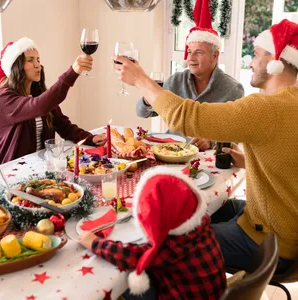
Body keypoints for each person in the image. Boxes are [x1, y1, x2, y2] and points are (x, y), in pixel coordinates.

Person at [113, 18, 298, 273]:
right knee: (203, 209)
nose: (251, 62)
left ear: (276, 60)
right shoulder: (291, 102)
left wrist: (141, 81)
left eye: (256, 55)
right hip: (281, 227)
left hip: (269, 242)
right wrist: (245, 162)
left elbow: (188, 117)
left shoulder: (267, 108)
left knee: (164, 246)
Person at [79, 166, 226, 299]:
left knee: (119, 283)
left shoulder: (173, 247)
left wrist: (94, 242)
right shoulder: (200, 222)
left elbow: (132, 256)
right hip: (216, 294)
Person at [136, 0, 244, 150]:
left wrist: (211, 141)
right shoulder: (176, 81)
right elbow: (142, 113)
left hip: (207, 159)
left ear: (215, 55)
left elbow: (237, 135)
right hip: (171, 152)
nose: (191, 58)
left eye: (198, 52)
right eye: (189, 52)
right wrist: (148, 97)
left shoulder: (233, 89)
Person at [0, 37, 106, 164]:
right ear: (16, 67)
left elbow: (64, 126)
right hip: (12, 171)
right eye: (30, 60)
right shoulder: (4, 99)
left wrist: (90, 139)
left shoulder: (39, 95)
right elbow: (39, 106)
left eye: (38, 59)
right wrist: (73, 72)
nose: (37, 65)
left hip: (41, 166)